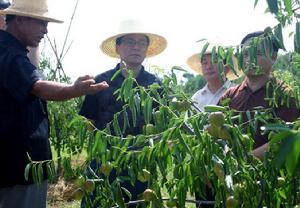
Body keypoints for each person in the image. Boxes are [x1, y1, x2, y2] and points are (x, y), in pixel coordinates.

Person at [0, 0, 109, 207]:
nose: (45, 31)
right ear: (21, 19)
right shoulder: (10, 55)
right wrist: (74, 90)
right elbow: (39, 87)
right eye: (41, 23)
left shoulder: (11, 51)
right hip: (20, 167)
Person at [79, 19, 167, 207]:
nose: (136, 47)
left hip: (140, 162)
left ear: (146, 49)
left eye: (142, 43)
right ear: (118, 47)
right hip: (104, 160)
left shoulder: (156, 85)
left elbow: (161, 127)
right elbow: (90, 122)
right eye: (130, 42)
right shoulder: (100, 82)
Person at [220, 30, 300, 159]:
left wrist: (246, 162)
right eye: (245, 54)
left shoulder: (285, 95)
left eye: (256, 53)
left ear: (273, 57)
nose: (249, 59)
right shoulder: (230, 95)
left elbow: (285, 140)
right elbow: (217, 132)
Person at [187, 43, 241, 112]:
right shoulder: (196, 98)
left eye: (215, 61)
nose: (209, 67)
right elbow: (188, 122)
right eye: (205, 63)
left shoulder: (238, 93)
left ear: (226, 68)